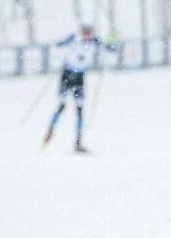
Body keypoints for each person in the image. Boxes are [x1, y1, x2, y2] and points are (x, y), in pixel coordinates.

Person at [43, 23, 117, 152]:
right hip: (67, 75)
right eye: (85, 32)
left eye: (89, 32)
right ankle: (49, 133)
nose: (87, 34)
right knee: (62, 106)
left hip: (79, 78)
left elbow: (111, 48)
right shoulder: (75, 38)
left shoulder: (95, 41)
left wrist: (112, 40)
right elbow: (59, 44)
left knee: (80, 109)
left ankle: (78, 141)